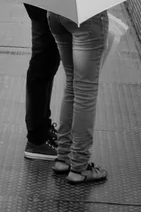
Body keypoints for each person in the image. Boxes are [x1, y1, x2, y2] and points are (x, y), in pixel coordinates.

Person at [48, 10, 109, 184]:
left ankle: (63, 158)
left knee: (72, 83)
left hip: (56, 12)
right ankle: (79, 167)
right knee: (85, 91)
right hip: (87, 18)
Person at [22, 3, 60, 160]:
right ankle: (37, 140)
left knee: (46, 61)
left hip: (42, 0)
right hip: (45, 2)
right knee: (43, 62)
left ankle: (41, 129)